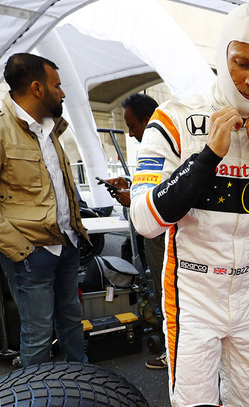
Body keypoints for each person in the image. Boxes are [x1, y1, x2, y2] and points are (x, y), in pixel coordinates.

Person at [129, 4, 249, 407]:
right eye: (242, 63)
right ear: (221, 57)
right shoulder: (173, 119)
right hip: (194, 291)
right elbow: (144, 220)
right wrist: (207, 157)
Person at [0, 53, 89, 367]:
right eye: (57, 85)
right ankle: (37, 404)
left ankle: (84, 384)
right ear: (37, 88)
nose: (63, 93)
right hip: (32, 254)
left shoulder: (52, 129)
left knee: (71, 321)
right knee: (38, 334)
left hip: (67, 244)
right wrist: (23, 250)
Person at [106, 93, 170, 370]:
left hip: (166, 238)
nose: (130, 135)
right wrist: (131, 186)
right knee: (163, 291)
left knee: (169, 294)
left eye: (133, 126)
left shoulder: (166, 147)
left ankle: (174, 353)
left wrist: (135, 199)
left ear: (148, 121)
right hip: (158, 237)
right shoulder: (158, 147)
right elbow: (159, 185)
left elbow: (171, 193)